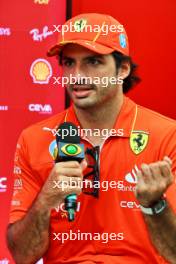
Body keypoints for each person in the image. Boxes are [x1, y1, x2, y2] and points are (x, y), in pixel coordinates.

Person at [6, 13, 176, 264]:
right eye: (69, 63)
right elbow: (22, 256)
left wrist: (154, 205)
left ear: (123, 69)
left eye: (93, 62)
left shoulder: (167, 136)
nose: (77, 76)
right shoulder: (34, 139)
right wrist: (46, 199)